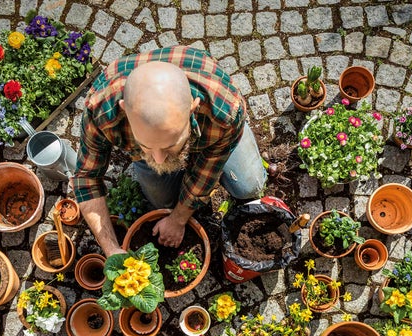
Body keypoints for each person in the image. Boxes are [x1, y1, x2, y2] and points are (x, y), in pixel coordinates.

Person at [72, 45, 267, 257]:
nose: (158, 159)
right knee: (161, 203)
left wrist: (178, 219)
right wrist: (111, 249)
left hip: (214, 130)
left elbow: (206, 172)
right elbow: (86, 179)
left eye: (170, 144)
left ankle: (225, 140)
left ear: (193, 108)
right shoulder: (100, 110)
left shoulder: (225, 111)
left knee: (249, 187)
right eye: (146, 145)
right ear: (124, 110)